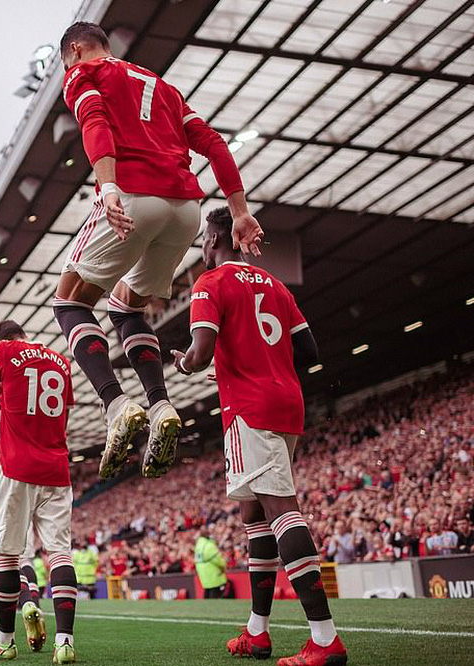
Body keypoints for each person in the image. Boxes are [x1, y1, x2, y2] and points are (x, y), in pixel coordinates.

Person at [54, 21, 263, 482]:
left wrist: (108, 185)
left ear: (75, 49)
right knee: (125, 308)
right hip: (186, 209)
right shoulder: (162, 87)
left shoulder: (84, 75)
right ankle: (161, 403)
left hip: (133, 194)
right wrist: (240, 211)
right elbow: (213, 144)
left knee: (69, 301)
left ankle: (116, 404)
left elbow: (96, 123)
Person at [172, 207, 346, 666]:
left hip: (249, 407)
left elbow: (201, 350)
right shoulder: (276, 285)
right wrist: (263, 363)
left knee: (280, 509)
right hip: (286, 402)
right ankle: (258, 632)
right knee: (254, 512)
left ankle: (325, 639)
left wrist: (184, 363)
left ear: (213, 239)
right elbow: (308, 349)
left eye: (204, 241)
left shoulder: (209, 284)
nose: (203, 248)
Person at [0, 320, 78, 664]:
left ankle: (5, 640)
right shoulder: (61, 360)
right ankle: (65, 643)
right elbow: (63, 414)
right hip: (56, 467)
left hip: (17, 467)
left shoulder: (4, 351)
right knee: (60, 553)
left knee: (7, 554)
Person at [194, 528, 228, 598]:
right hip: (213, 574)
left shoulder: (198, 545)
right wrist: (224, 564)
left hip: (203, 574)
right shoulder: (209, 545)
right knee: (216, 595)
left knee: (208, 593)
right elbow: (218, 560)